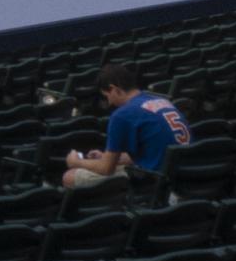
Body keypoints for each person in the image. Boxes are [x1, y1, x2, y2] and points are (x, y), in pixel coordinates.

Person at [64, 64, 192, 186]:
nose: (109, 102)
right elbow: (151, 151)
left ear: (114, 89)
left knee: (70, 177)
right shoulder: (161, 100)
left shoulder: (122, 115)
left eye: (107, 96)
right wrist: (105, 157)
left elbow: (106, 169)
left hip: (156, 178)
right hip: (184, 169)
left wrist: (77, 162)